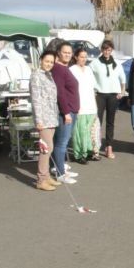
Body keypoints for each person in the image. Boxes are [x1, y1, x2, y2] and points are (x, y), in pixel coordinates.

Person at [30, 51, 62, 191]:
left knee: (49, 148)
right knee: (45, 149)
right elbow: (36, 99)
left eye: (51, 62)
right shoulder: (36, 75)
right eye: (46, 61)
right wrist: (38, 120)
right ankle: (41, 180)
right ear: (41, 60)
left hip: (51, 117)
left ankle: (47, 175)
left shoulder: (48, 75)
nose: (49, 64)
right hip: (43, 118)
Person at [89, 40, 126, 159]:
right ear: (102, 50)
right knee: (97, 122)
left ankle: (109, 147)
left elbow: (122, 77)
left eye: (109, 50)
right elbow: (89, 76)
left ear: (112, 50)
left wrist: (122, 91)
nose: (106, 52)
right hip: (100, 94)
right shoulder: (95, 63)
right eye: (105, 49)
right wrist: (92, 91)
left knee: (110, 122)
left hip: (113, 95)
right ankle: (96, 147)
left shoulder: (116, 63)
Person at [51, 42, 80, 184]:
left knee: (62, 141)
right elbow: (60, 93)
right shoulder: (58, 69)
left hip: (72, 110)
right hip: (66, 112)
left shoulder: (64, 68)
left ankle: (58, 167)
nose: (68, 54)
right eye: (65, 52)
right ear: (58, 53)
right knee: (61, 143)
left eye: (70, 52)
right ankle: (60, 173)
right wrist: (66, 112)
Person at [69, 48, 99, 163]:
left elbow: (92, 88)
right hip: (79, 105)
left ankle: (89, 152)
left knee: (90, 130)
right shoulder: (72, 70)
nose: (84, 59)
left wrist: (95, 105)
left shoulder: (88, 69)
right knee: (79, 131)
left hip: (90, 104)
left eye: (85, 57)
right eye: (81, 57)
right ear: (76, 57)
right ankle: (79, 154)